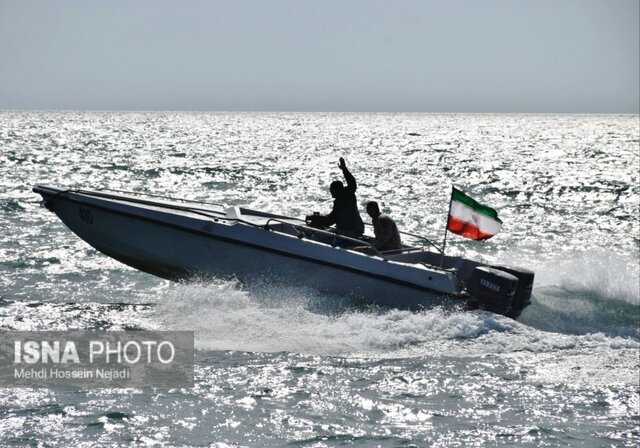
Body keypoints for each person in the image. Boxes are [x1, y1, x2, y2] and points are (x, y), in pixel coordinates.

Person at [306, 157, 364, 237]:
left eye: (332, 191)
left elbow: (352, 183)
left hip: (351, 230)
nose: (331, 194)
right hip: (350, 228)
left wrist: (344, 169)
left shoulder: (348, 195)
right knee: (320, 228)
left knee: (317, 236)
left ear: (337, 190)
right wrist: (315, 218)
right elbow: (331, 218)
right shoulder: (340, 201)